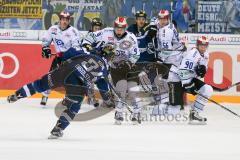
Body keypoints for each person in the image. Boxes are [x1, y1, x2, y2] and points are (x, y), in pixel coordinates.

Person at [7, 44, 115, 139]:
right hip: (78, 84)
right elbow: (103, 89)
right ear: (110, 58)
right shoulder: (104, 69)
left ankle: (18, 94)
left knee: (40, 85)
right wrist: (109, 101)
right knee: (73, 108)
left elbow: (69, 52)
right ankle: (58, 129)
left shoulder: (87, 52)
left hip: (64, 71)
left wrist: (62, 61)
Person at [82, 17, 141, 125]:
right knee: (120, 91)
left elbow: (136, 54)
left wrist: (128, 64)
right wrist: (88, 45)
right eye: (117, 28)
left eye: (121, 28)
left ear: (125, 28)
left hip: (130, 66)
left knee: (133, 90)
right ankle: (119, 113)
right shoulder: (106, 32)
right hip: (115, 68)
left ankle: (136, 112)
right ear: (114, 27)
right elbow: (89, 37)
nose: (119, 31)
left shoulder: (131, 37)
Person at [144, 9, 187, 115]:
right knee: (168, 80)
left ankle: (169, 105)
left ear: (168, 19)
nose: (162, 21)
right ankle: (171, 104)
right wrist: (152, 25)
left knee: (170, 80)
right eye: (161, 19)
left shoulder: (166, 31)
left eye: (165, 19)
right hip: (176, 54)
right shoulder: (163, 24)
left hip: (173, 57)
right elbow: (153, 21)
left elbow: (166, 51)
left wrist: (159, 58)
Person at [41, 11, 81, 106]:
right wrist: (45, 48)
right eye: (63, 19)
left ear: (69, 21)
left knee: (71, 79)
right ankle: (45, 95)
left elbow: (77, 47)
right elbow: (45, 41)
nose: (65, 22)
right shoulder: (53, 29)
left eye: (67, 20)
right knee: (51, 76)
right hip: (59, 57)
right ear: (60, 20)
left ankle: (68, 98)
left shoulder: (73, 32)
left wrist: (69, 55)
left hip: (70, 58)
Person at [174, 36, 213, 124]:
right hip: (182, 80)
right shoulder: (193, 54)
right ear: (197, 45)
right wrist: (187, 84)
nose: (203, 47)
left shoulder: (206, 54)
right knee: (174, 107)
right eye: (201, 45)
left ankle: (194, 114)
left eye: (205, 45)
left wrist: (202, 72)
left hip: (192, 78)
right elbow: (182, 71)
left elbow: (202, 70)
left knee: (208, 89)